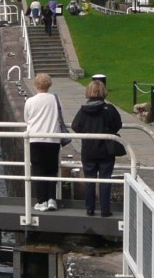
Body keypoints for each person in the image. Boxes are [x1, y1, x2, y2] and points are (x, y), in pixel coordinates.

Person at [70, 78, 124, 217]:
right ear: (103, 92)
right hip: (106, 149)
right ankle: (105, 210)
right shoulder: (109, 109)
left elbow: (75, 126)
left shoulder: (83, 110)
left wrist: (86, 134)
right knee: (105, 180)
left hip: (88, 150)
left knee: (90, 179)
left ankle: (90, 208)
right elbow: (118, 124)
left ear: (88, 92)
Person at [23, 72, 69, 212]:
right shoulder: (55, 99)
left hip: (36, 139)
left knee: (39, 170)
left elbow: (27, 119)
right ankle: (51, 199)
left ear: (35, 85)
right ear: (49, 85)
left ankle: (41, 201)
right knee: (51, 170)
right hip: (53, 139)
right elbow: (61, 117)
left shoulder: (30, 101)